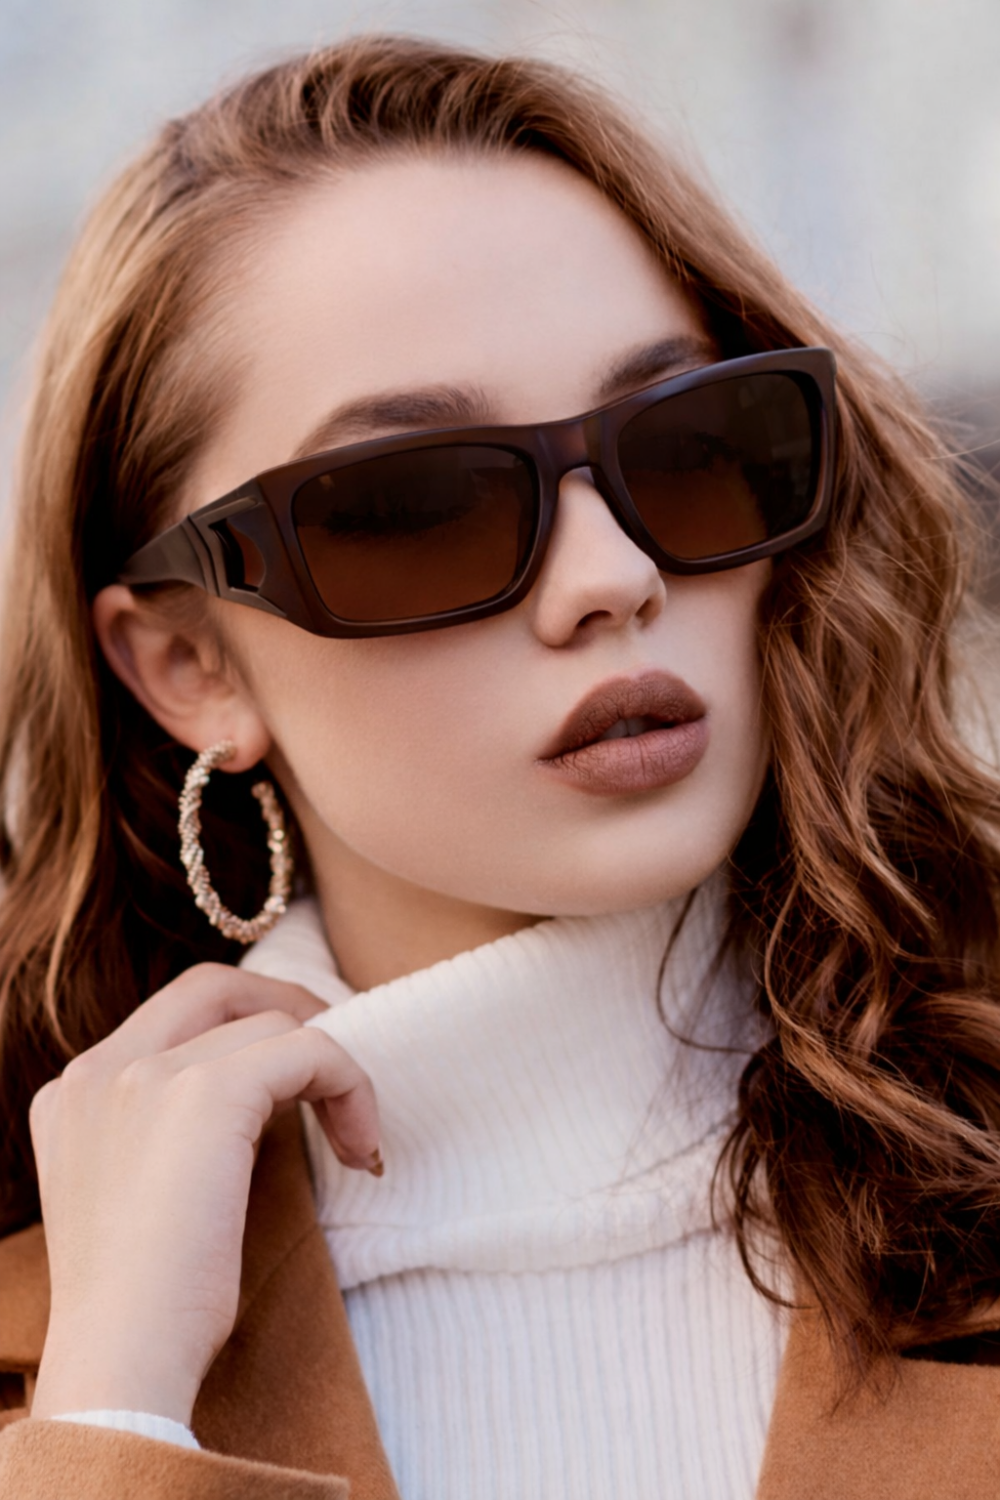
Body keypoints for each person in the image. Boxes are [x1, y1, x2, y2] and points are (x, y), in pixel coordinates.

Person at [0, 33, 997, 1500]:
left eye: (687, 442)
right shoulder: (62, 1355)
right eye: (417, 504)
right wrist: (119, 1414)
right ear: (190, 666)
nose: (612, 577)